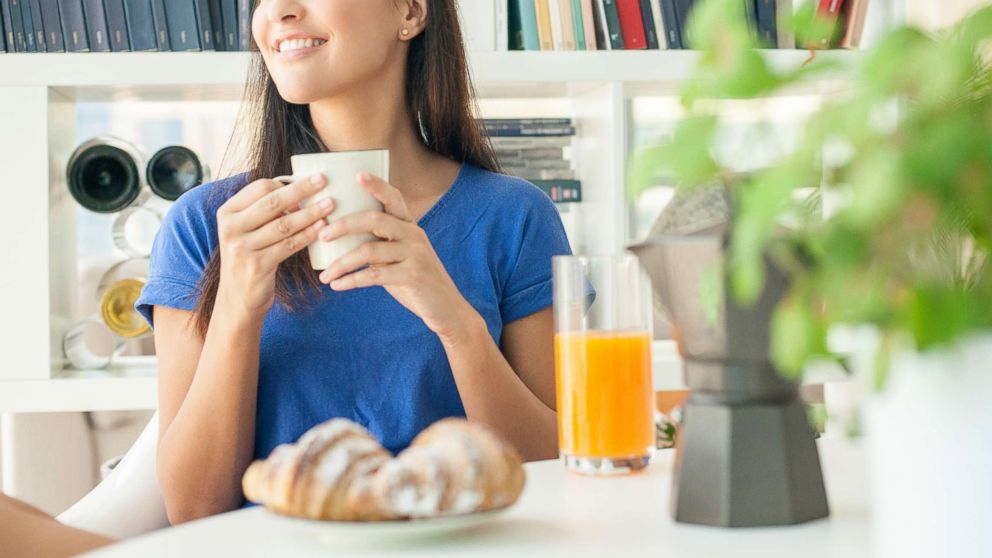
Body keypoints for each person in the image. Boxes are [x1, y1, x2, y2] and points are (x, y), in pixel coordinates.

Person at [135, 0, 570, 526]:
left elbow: (552, 474)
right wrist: (237, 307)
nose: (280, 12)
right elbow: (192, 508)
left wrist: (457, 325)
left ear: (409, 12)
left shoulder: (514, 216)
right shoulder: (208, 224)